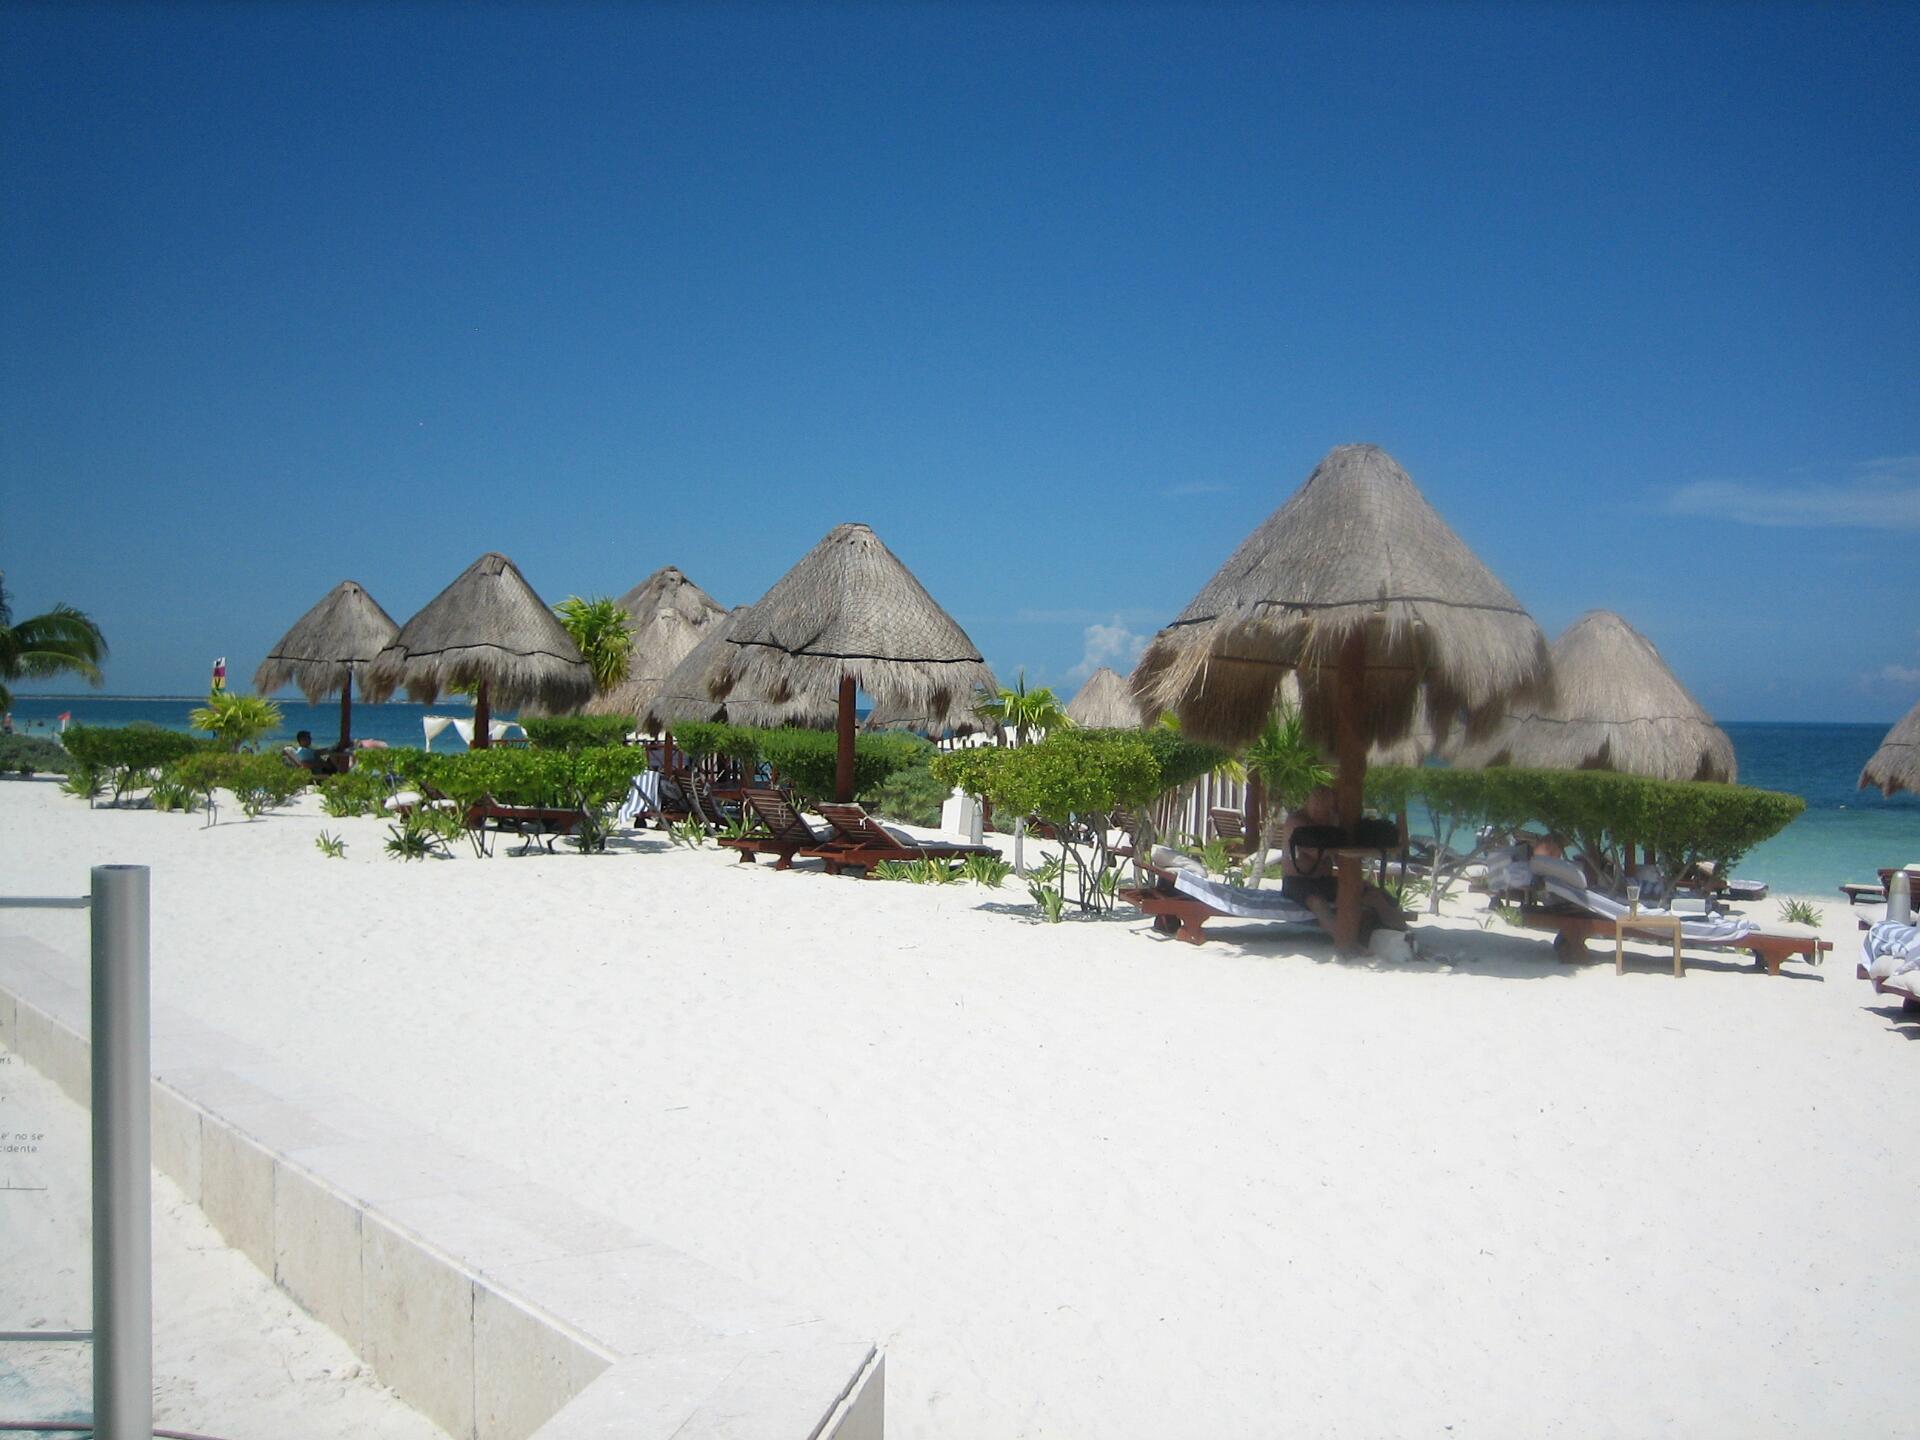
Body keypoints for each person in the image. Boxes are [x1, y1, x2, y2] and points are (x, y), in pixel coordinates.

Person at [1278, 785, 1409, 939]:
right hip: (1296, 881)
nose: (1321, 813)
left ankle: (1404, 932)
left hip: (1324, 881)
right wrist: (1340, 845)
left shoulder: (1331, 820)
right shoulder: (1296, 822)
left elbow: (1339, 859)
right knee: (1318, 903)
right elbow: (1316, 853)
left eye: (1325, 809)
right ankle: (1343, 940)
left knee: (1373, 893)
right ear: (1307, 803)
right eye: (1317, 806)